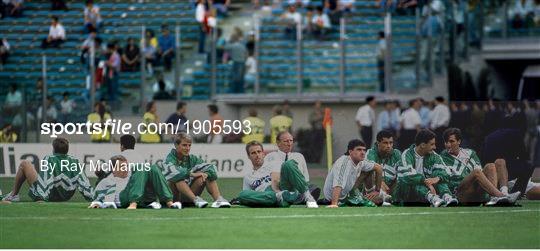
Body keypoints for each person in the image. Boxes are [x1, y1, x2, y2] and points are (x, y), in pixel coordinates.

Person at [441, 128, 521, 206]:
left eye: (451, 141)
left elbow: (481, 172)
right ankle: (500, 196)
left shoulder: (470, 153)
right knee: (476, 172)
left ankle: (503, 193)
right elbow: (446, 180)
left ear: (459, 141)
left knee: (495, 164)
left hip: (475, 189)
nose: (448, 145)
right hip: (459, 192)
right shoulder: (442, 157)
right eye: (446, 142)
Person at [2, 138, 94, 202]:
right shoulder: (74, 160)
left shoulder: (49, 158)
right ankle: (15, 195)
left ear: (54, 149)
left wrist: (41, 197)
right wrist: (93, 197)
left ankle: (13, 195)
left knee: (25, 164)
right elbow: (83, 182)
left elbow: (46, 177)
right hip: (66, 196)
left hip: (48, 195)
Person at [236, 141, 317, 208]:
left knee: (288, 164)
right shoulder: (248, 177)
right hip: (267, 195)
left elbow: (280, 178)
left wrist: (277, 189)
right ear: (248, 156)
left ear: (263, 153)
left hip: (281, 187)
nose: (257, 155)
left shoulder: (273, 164)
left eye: (259, 152)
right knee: (242, 195)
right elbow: (248, 196)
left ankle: (307, 196)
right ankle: (282, 198)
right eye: (253, 153)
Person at [160, 133, 231, 208]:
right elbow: (173, 172)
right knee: (178, 178)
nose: (187, 148)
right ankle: (196, 200)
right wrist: (192, 174)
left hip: (187, 198)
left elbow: (212, 168)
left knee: (206, 175)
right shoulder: (168, 159)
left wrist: (206, 174)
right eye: (184, 145)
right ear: (176, 145)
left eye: (189, 145)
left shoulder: (193, 159)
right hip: (173, 199)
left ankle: (218, 200)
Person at [393, 129, 458, 207]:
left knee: (439, 177)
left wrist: (437, 178)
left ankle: (447, 197)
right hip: (406, 196)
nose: (435, 147)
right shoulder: (406, 154)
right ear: (423, 145)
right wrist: (425, 181)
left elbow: (447, 172)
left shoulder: (434, 156)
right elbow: (407, 175)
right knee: (413, 179)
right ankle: (433, 198)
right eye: (432, 144)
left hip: (425, 193)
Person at [90, 155, 182, 210]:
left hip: (144, 197)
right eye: (122, 166)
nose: (125, 168)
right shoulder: (107, 180)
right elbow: (97, 196)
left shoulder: (131, 175)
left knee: (153, 167)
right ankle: (133, 203)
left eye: (126, 166)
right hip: (124, 198)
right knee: (140, 166)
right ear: (113, 170)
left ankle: (169, 202)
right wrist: (96, 204)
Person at [265, 131, 321, 202]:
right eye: (286, 141)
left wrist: (303, 185)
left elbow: (306, 178)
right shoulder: (270, 156)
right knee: (288, 165)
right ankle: (302, 196)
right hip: (280, 187)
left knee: (312, 186)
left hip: (297, 187)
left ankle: (301, 195)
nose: (289, 144)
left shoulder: (299, 156)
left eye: (291, 141)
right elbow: (266, 177)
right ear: (278, 143)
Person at [323, 139, 378, 208]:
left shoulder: (361, 161)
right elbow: (338, 185)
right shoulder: (344, 163)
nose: (363, 152)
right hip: (334, 198)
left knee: (379, 200)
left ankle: (365, 195)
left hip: (347, 194)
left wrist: (377, 191)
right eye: (359, 150)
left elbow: (378, 168)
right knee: (376, 202)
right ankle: (358, 197)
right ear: (350, 152)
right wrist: (334, 203)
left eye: (364, 150)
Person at [366, 130, 401, 204]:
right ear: (378, 143)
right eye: (385, 143)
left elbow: (401, 174)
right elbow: (370, 175)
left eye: (391, 143)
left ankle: (388, 199)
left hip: (391, 187)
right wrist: (381, 182)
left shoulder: (397, 154)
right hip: (376, 188)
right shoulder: (370, 153)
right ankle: (385, 199)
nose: (389, 146)